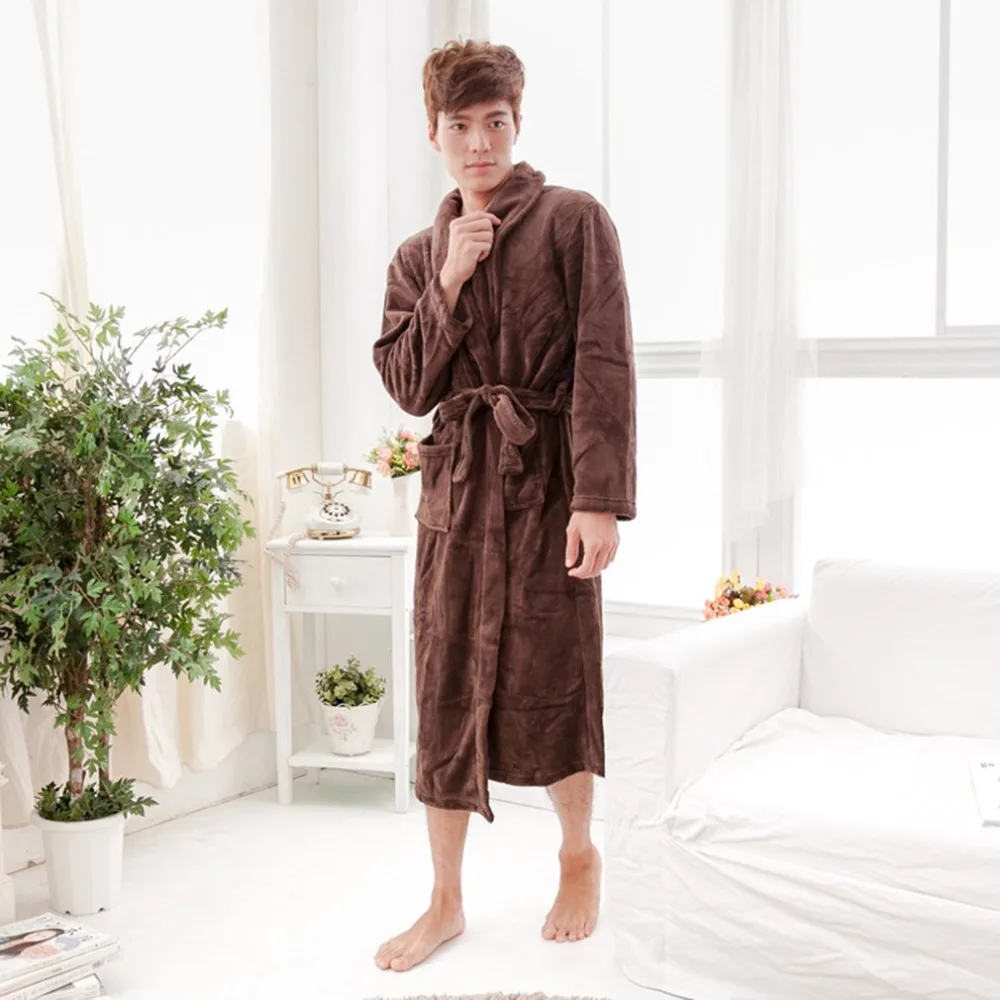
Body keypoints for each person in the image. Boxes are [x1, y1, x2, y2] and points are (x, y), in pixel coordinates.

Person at [372, 38, 636, 973]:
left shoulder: (574, 222)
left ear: (518, 124)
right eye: (460, 126)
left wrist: (597, 500)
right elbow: (409, 386)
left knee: (555, 673)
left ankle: (578, 855)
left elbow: (603, 364)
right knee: (445, 684)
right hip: (455, 498)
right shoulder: (417, 256)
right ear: (434, 134)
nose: (479, 143)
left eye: (495, 122)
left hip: (547, 487)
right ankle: (445, 899)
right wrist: (447, 280)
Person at [0, 928, 64, 959]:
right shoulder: (5, 938)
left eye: (43, 936)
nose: (35, 936)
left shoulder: (19, 952)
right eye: (38, 933)